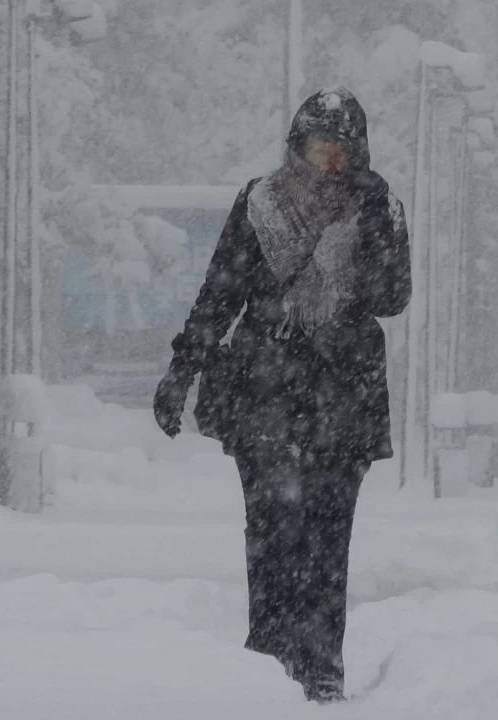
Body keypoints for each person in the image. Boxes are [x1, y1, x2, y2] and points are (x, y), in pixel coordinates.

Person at [152, 88, 410, 703]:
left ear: (359, 151)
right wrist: (182, 369)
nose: (330, 160)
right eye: (319, 146)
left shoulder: (378, 205)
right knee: (271, 534)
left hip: (344, 396)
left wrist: (369, 229)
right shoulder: (260, 201)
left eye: (341, 149)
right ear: (298, 145)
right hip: (265, 388)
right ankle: (268, 664)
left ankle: (321, 668)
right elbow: (222, 291)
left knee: (326, 539)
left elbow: (392, 297)